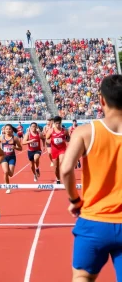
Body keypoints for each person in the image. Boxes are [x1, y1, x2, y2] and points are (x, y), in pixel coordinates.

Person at [60, 74, 122, 282]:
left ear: (101, 100)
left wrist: (74, 200)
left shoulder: (86, 132)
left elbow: (66, 169)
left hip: (94, 220)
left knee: (82, 277)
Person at [0, 124, 22, 194]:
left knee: (10, 174)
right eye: (6, 129)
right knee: (5, 172)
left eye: (9, 129)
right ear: (4, 130)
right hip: (4, 157)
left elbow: (21, 148)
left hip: (12, 157)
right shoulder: (1, 137)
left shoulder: (15, 138)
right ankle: (7, 187)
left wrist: (15, 147)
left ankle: (7, 179)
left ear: (12, 130)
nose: (8, 130)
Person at [46, 116, 69, 184]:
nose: (58, 125)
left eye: (59, 123)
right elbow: (47, 139)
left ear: (61, 123)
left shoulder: (64, 130)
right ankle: (58, 179)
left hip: (62, 149)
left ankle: (63, 176)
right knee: (56, 167)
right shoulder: (51, 131)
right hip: (54, 149)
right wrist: (50, 141)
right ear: (54, 123)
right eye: (56, 123)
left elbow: (68, 137)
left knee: (62, 162)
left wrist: (66, 139)